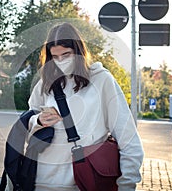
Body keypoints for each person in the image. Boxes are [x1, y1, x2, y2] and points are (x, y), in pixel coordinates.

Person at [25, 22, 143, 190]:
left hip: (83, 182)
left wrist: (127, 184)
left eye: (66, 54)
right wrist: (38, 120)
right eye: (55, 57)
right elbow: (27, 121)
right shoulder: (46, 82)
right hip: (40, 181)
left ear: (79, 52)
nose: (61, 61)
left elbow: (128, 139)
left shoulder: (101, 80)